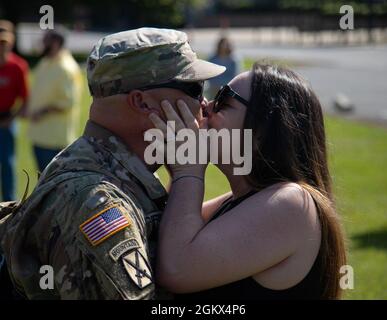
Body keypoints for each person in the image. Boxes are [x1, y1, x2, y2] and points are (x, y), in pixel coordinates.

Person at [0, 28, 225, 299]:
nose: (204, 103)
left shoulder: (103, 167)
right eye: (194, 88)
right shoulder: (98, 203)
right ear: (142, 103)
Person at [150, 62, 347, 299]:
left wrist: (187, 170)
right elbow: (167, 235)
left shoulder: (293, 203)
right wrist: (178, 168)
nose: (206, 106)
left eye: (223, 99)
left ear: (265, 127)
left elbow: (175, 269)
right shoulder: (244, 200)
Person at [27, 30, 82, 172]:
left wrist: (42, 112)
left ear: (56, 43)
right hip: (40, 135)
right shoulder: (46, 62)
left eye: (46, 41)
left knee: (53, 184)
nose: (42, 44)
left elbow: (68, 102)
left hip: (54, 139)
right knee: (43, 182)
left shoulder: (66, 68)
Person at [0, 20, 29, 201]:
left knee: (8, 165)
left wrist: (11, 119)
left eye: (5, 43)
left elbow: (25, 99)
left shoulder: (18, 66)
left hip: (7, 121)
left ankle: (8, 205)